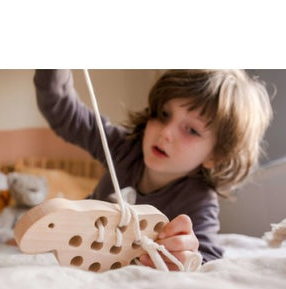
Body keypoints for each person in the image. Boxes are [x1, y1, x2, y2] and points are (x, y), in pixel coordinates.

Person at [33, 69, 273, 270]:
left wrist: (186, 255)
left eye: (191, 130)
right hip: (75, 240)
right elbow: (61, 109)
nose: (166, 132)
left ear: (215, 156)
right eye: (164, 114)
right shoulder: (124, 148)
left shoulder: (198, 199)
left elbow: (207, 259)